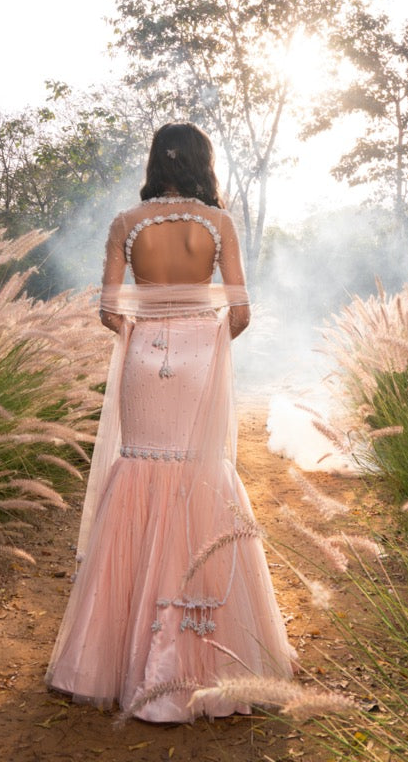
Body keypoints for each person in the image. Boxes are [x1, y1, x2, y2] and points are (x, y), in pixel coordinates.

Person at [46, 122, 293, 722]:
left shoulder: (125, 225)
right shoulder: (219, 224)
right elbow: (239, 312)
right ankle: (212, 654)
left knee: (138, 474)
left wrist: (148, 333)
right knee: (200, 476)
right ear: (204, 163)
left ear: (155, 161)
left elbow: (109, 310)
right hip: (200, 356)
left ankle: (115, 659)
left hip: (142, 355)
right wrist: (201, 339)